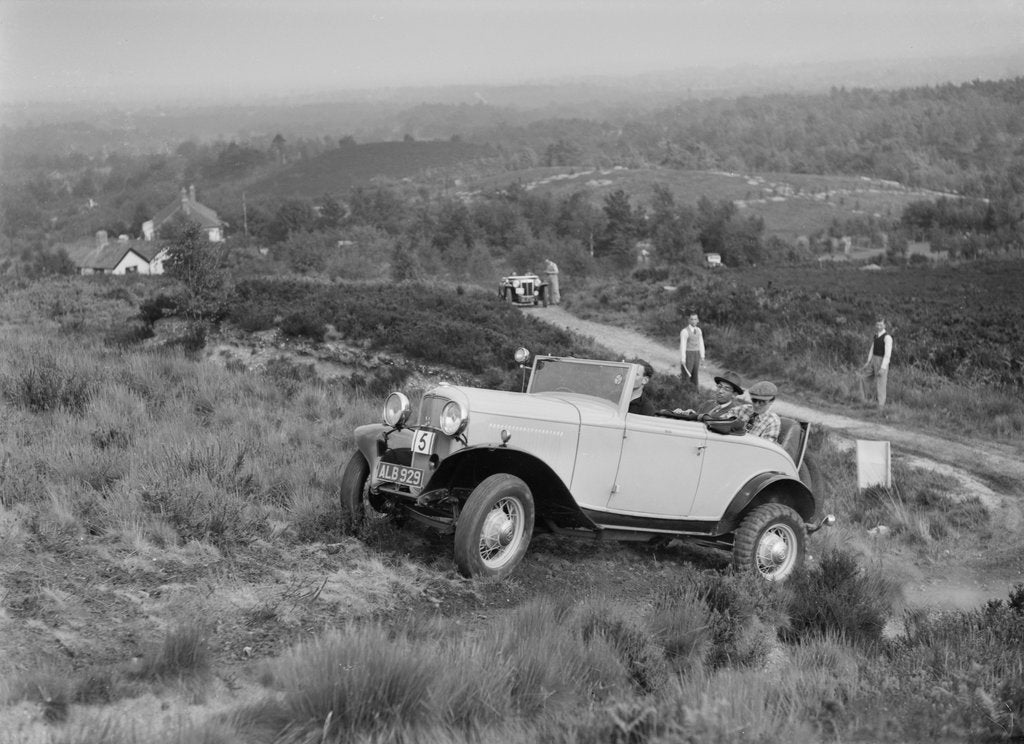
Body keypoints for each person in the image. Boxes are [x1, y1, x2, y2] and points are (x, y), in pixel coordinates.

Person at [676, 370, 751, 422]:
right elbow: (696, 420)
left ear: (734, 394)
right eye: (719, 386)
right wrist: (687, 414)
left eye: (726, 389)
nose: (720, 391)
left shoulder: (734, 412)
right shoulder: (708, 404)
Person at [861, 317, 893, 409]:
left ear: (885, 325)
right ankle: (866, 401)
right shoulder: (876, 335)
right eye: (877, 324)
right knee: (864, 378)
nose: (879, 326)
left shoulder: (887, 337)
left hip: (881, 361)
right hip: (873, 360)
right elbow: (872, 348)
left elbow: (887, 354)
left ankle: (880, 407)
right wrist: (868, 362)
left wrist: (883, 368)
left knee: (881, 384)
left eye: (881, 324)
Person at [679, 313, 705, 387]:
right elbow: (683, 345)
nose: (693, 321)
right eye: (692, 319)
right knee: (687, 374)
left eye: (695, 319)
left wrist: (702, 356)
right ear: (689, 320)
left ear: (698, 320)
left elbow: (701, 343)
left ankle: (694, 391)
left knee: (695, 373)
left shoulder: (699, 330)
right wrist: (683, 358)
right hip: (688, 354)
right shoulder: (684, 331)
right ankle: (684, 389)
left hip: (696, 354)